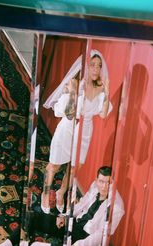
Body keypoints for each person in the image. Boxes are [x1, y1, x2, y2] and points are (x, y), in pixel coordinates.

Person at [41, 50, 112, 214]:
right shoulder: (73, 83)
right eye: (92, 65)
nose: (96, 69)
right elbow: (69, 114)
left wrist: (107, 92)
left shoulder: (101, 88)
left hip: (85, 130)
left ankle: (61, 192)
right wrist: (73, 91)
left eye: (99, 66)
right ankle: (45, 194)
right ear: (85, 66)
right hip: (67, 127)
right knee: (54, 166)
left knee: (73, 168)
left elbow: (102, 114)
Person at [26, 166, 125, 246]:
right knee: (34, 217)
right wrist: (64, 216)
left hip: (89, 239)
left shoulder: (117, 207)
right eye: (101, 181)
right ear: (96, 180)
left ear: (113, 182)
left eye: (108, 182)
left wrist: (79, 245)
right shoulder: (95, 186)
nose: (104, 186)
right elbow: (82, 204)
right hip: (76, 224)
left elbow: (102, 234)